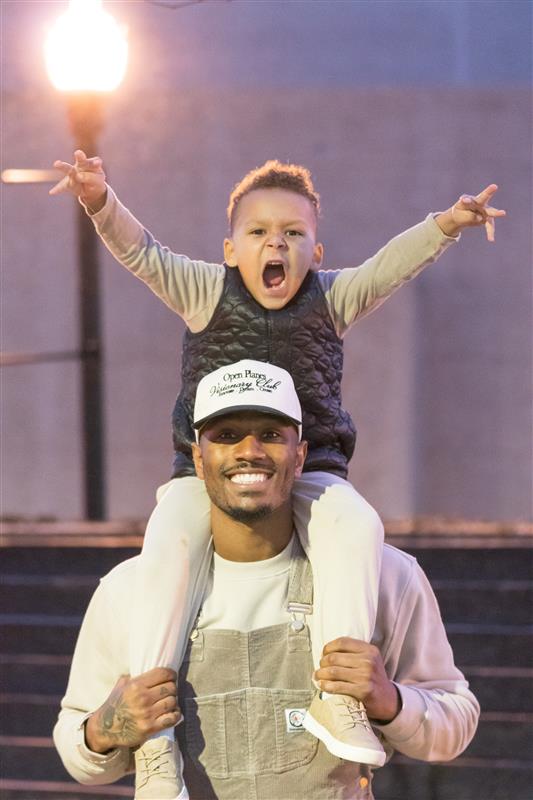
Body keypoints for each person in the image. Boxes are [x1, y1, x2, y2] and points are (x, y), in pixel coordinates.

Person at [50, 152, 504, 799]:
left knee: (355, 521)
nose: (276, 244)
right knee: (168, 541)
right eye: (259, 231)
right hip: (188, 486)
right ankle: (156, 750)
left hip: (319, 473)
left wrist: (446, 224)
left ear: (315, 250)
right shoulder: (130, 588)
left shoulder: (387, 575)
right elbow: (143, 253)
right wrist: (100, 200)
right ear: (230, 249)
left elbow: (386, 268)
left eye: (292, 233)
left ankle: (338, 701)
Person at [53, 361, 480, 800]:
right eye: (226, 436)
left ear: (299, 456)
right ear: (199, 460)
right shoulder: (131, 591)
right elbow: (76, 745)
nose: (249, 451)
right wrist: (106, 727)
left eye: (272, 435)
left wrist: (390, 701)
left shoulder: (383, 575)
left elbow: (457, 720)